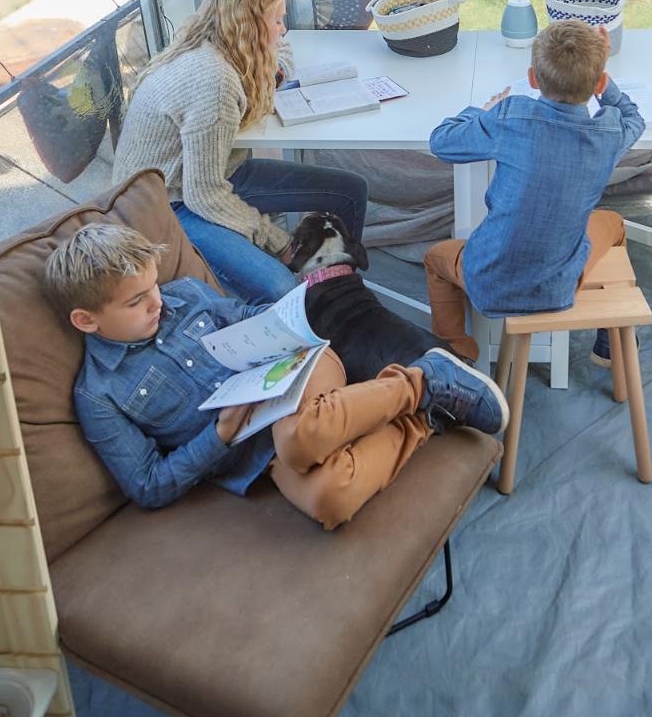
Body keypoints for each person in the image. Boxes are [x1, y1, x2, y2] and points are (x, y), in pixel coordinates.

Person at [46, 223, 509, 531]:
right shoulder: (100, 395)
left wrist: (272, 322)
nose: (157, 303)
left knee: (299, 438)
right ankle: (426, 414)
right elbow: (148, 485)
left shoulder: (183, 295)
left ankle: (422, 381)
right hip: (253, 454)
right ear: (87, 320)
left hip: (297, 374)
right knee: (331, 500)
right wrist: (222, 435)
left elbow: (246, 312)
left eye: (153, 287)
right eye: (136, 302)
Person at [111, 0, 368, 307]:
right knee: (278, 287)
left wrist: (275, 69)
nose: (283, 29)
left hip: (213, 176)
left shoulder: (218, 43)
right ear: (249, 26)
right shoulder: (212, 81)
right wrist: (275, 240)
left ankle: (340, 292)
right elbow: (203, 194)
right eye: (276, 21)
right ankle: (300, 318)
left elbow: (282, 50)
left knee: (349, 192)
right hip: (167, 204)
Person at [423, 19, 645, 367]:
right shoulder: (609, 132)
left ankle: (457, 354)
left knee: (437, 258)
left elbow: (441, 141)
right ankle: (609, 347)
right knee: (613, 224)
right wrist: (605, 78)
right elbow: (634, 117)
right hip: (558, 288)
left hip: (487, 282)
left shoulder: (510, 116)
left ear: (532, 78)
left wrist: (482, 112)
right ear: (599, 82)